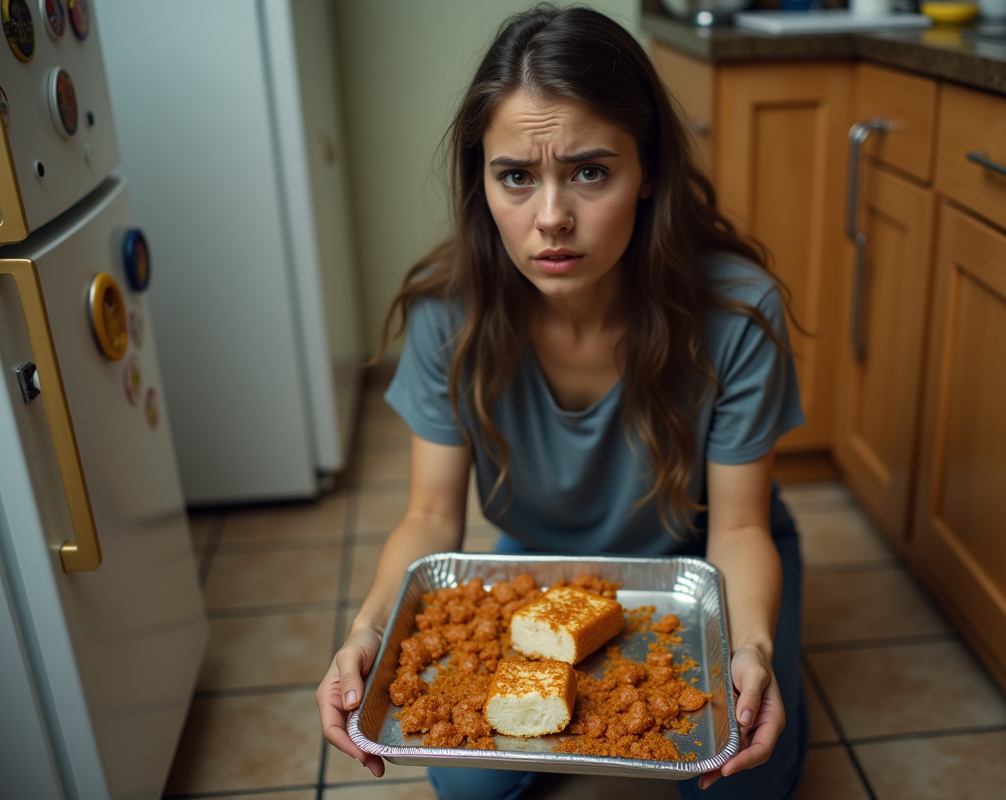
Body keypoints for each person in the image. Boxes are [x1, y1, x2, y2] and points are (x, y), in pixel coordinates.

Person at [317, 6, 808, 799]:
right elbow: (432, 517)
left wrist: (750, 643)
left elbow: (743, 525)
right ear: (481, 179)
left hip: (704, 557)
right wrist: (368, 629)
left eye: (589, 171)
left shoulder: (737, 311)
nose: (551, 217)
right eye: (516, 176)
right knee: (467, 787)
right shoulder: (448, 313)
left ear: (647, 170)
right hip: (544, 565)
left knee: (744, 778)